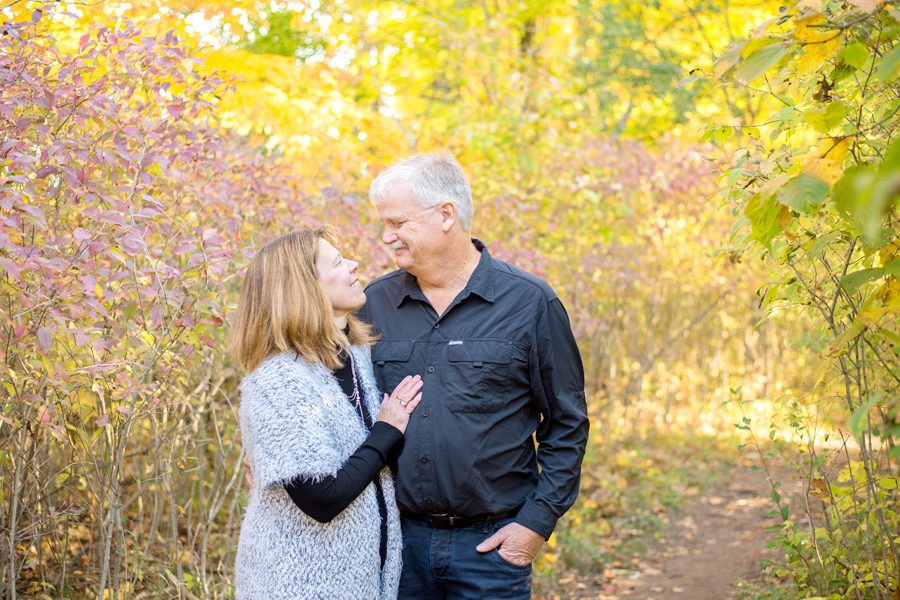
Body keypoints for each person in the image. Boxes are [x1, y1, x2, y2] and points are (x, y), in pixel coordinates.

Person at [358, 154, 589, 599]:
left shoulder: (529, 302)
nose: (387, 237)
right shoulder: (373, 303)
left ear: (446, 214)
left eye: (398, 222)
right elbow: (342, 407)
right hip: (397, 547)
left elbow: (567, 423)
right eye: (384, 224)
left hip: (490, 549)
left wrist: (535, 524)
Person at [228, 228, 423, 600]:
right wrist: (386, 431)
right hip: (298, 582)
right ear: (303, 287)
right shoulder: (278, 379)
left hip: (363, 580)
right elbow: (321, 498)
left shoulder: (357, 357)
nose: (353, 265)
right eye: (337, 262)